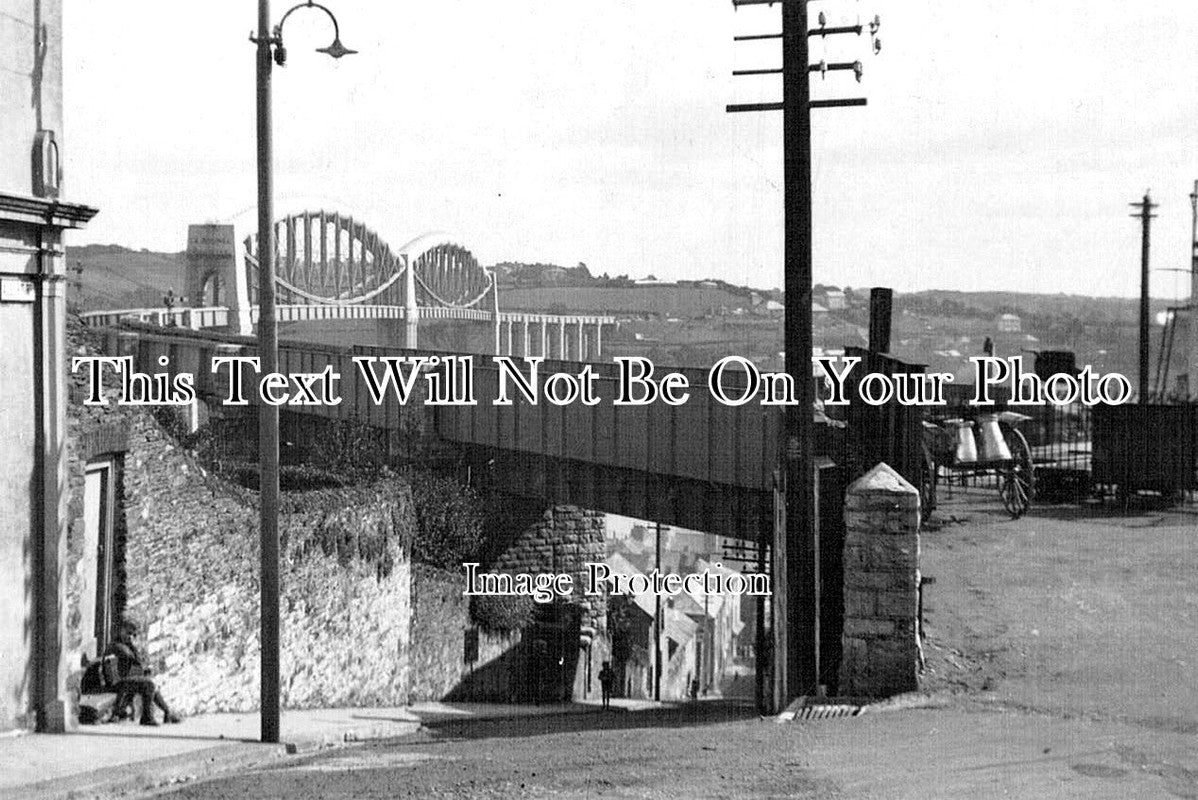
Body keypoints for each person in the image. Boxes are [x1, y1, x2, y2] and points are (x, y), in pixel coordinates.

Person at [106, 616, 182, 726]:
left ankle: (167, 712)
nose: (130, 637)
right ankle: (147, 717)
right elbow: (136, 663)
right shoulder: (118, 647)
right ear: (121, 631)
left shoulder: (125, 646)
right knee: (148, 684)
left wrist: (144, 670)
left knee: (150, 683)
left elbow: (136, 665)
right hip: (118, 682)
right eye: (128, 633)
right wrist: (133, 647)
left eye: (133, 635)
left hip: (125, 680)